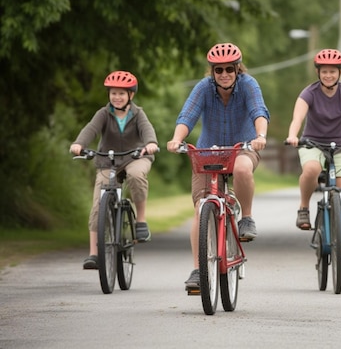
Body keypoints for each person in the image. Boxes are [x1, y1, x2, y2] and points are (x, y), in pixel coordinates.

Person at [166, 43, 270, 289]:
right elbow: (187, 115)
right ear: (212, 71)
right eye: (218, 70)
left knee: (243, 169)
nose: (224, 74)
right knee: (201, 207)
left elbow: (258, 111)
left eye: (229, 69)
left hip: (243, 146)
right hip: (209, 151)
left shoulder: (249, 84)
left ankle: (246, 218)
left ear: (237, 69)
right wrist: (177, 139)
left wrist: (261, 136)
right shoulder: (204, 88)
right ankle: (198, 270)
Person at [285, 48, 341, 261]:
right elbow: (297, 118)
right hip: (312, 144)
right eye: (324, 71)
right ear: (318, 72)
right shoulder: (309, 92)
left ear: (340, 72)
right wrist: (292, 135)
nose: (328, 75)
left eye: (333, 71)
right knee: (312, 169)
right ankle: (304, 208)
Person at [70, 71, 159, 270]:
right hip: (107, 161)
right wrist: (79, 143)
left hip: (135, 157)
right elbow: (90, 129)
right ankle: (94, 253)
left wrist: (151, 143)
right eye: (113, 93)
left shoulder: (138, 114)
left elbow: (147, 130)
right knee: (97, 205)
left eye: (121, 93)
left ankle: (141, 221)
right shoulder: (103, 113)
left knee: (136, 175)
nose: (117, 97)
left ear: (131, 95)